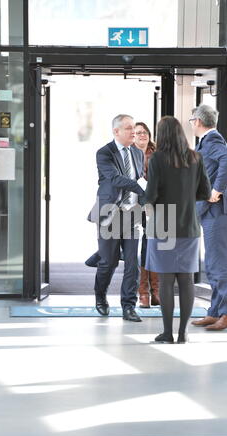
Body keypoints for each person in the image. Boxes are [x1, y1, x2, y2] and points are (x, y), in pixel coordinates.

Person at [144, 116, 211, 343]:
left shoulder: (157, 159)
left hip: (164, 223)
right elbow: (204, 192)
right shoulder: (196, 157)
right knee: (186, 279)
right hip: (189, 225)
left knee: (165, 280)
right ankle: (183, 333)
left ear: (161, 135)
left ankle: (167, 333)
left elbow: (151, 195)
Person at [87, 114, 145, 322]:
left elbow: (141, 177)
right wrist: (139, 187)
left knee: (132, 263)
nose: (134, 132)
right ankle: (100, 295)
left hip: (132, 214)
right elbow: (115, 178)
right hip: (110, 214)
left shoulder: (138, 153)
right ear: (116, 131)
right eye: (129, 128)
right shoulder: (105, 153)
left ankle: (128, 306)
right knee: (108, 263)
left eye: (135, 128)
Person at [189, 104, 227, 331]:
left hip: (218, 212)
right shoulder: (206, 141)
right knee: (211, 264)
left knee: (220, 265)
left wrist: (216, 190)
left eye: (192, 120)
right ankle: (216, 311)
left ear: (198, 122)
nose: (191, 124)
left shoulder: (213, 140)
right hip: (210, 213)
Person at [134, 122, 160, 308]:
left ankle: (153, 292)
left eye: (145, 132)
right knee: (134, 246)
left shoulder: (158, 154)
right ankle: (143, 292)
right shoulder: (127, 154)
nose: (142, 135)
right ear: (132, 136)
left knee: (151, 245)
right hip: (132, 206)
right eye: (138, 133)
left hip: (154, 206)